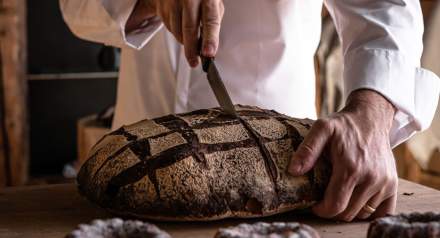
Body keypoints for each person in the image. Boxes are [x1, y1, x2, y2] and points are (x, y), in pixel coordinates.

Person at [60, 0, 439, 221]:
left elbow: (384, 7)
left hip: (278, 177)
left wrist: (372, 112)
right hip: (133, 166)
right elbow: (75, 6)